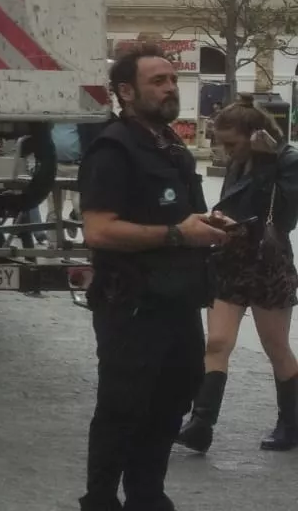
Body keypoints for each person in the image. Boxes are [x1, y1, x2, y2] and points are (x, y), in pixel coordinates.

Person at [77, 45, 227, 511]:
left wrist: (212, 224)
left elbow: (182, 218)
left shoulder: (171, 145)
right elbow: (98, 229)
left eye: (171, 80)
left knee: (171, 401)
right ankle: (100, 499)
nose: (168, 88)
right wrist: (178, 235)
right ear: (126, 91)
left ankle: (147, 495)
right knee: (123, 408)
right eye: (157, 81)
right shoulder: (114, 148)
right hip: (131, 305)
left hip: (177, 302)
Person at [176, 97, 298, 453]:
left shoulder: (286, 160)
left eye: (231, 143)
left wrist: (265, 162)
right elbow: (234, 205)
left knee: (275, 347)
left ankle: (291, 425)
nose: (225, 151)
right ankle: (201, 423)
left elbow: (285, 217)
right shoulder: (238, 161)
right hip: (232, 259)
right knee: (217, 343)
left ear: (255, 134)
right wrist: (219, 219)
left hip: (268, 264)